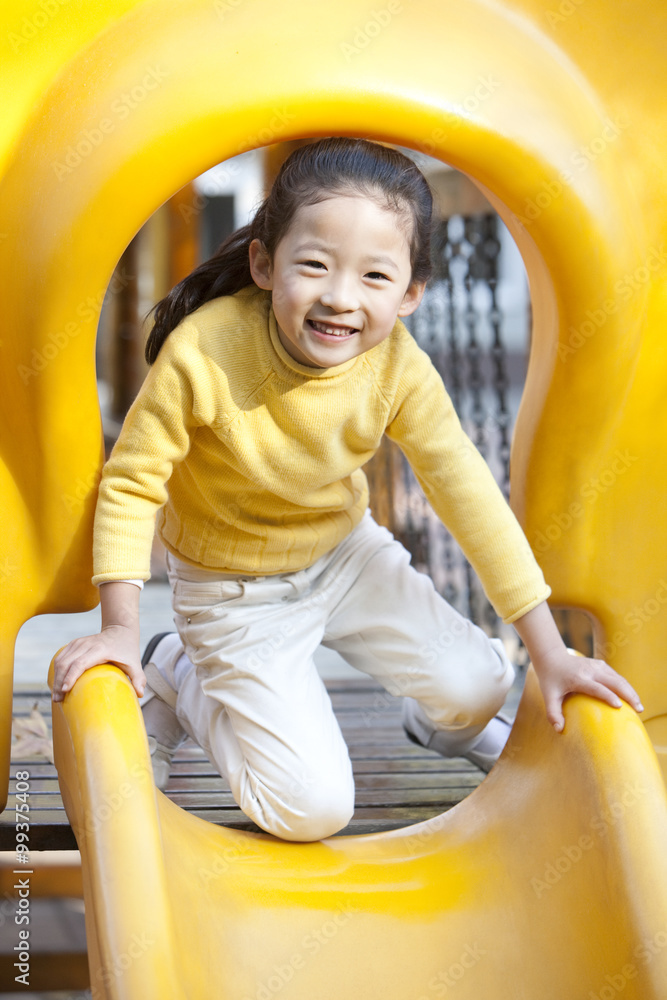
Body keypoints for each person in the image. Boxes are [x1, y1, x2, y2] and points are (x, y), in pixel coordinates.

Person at [52, 137, 643, 842]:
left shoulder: (397, 367)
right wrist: (119, 626)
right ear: (264, 264)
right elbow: (132, 480)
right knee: (310, 811)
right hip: (232, 589)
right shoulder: (206, 350)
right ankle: (182, 672)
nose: (339, 297)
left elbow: (467, 494)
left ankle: (439, 731)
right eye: (313, 265)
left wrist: (549, 650)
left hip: (345, 555)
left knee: (481, 684)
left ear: (411, 293)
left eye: (374, 276)